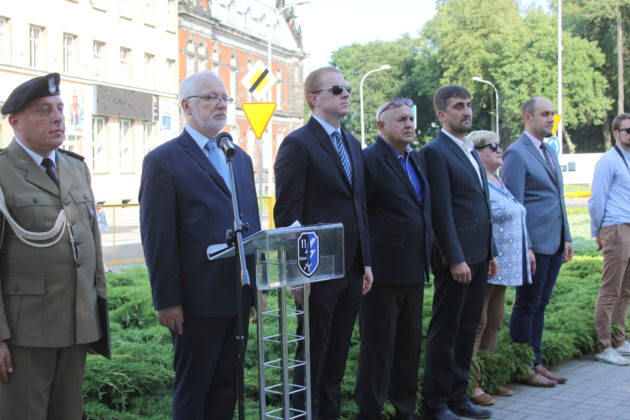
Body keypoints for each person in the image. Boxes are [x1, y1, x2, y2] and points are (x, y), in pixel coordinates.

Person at [139, 71, 261, 419]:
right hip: (195, 302)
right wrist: (167, 299)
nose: (220, 103)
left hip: (236, 296)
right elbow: (158, 238)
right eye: (210, 97)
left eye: (224, 97)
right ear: (186, 106)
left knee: (226, 388)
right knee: (194, 390)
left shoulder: (238, 158)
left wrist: (256, 288)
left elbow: (251, 226)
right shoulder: (163, 160)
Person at [0, 73, 108, 419]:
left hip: (76, 326)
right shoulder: (3, 171)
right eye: (44, 110)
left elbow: (92, 249)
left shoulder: (75, 168)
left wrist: (96, 320)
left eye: (60, 108)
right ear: (15, 122)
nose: (58, 117)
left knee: (69, 413)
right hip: (25, 333)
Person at [274, 66, 373, 419]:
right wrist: (297, 275)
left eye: (346, 88)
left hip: (352, 268)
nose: (345, 93)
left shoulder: (352, 144)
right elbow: (288, 214)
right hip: (316, 272)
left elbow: (359, 205)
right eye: (336, 89)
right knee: (312, 359)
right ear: (313, 98)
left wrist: (366, 261)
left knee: (336, 360)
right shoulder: (298, 144)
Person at [421, 85, 497, 420]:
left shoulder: (469, 149)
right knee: (446, 330)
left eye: (468, 105)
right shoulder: (435, 152)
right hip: (457, 260)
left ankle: (458, 396)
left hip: (479, 255)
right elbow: (440, 211)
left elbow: (482, 203)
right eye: (458, 106)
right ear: (442, 114)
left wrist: (491, 251)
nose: (466, 111)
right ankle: (436, 403)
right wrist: (454, 258)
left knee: (468, 328)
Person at [355, 99, 431, 420]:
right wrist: (364, 263)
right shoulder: (368, 160)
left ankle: (405, 410)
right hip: (382, 273)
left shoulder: (416, 159)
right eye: (401, 119)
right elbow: (360, 214)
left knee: (408, 348)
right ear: (381, 126)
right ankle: (369, 412)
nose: (409, 124)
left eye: (411, 118)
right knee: (378, 349)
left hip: (415, 269)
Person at [502, 97, 573, 387]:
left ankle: (537, 362)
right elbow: (515, 204)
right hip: (534, 244)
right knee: (527, 303)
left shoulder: (549, 150)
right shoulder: (516, 153)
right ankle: (523, 366)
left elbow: (558, 197)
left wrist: (567, 236)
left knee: (541, 303)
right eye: (545, 114)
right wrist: (526, 246)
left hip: (554, 241)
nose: (550, 119)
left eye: (552, 114)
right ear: (527, 117)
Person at [468, 130, 534, 405]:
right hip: (489, 262)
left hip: (506, 265)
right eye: (492, 146)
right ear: (476, 151)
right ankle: (471, 384)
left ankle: (490, 377)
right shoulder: (477, 180)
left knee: (494, 322)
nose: (499, 150)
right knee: (478, 323)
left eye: (499, 145)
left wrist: (527, 248)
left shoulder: (497, 180)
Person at [588, 113, 630, 366]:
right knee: (610, 289)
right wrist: (598, 232)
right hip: (615, 227)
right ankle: (604, 346)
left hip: (628, 226)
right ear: (616, 133)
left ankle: (618, 339)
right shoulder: (608, 161)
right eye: (628, 131)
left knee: (626, 290)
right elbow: (596, 200)